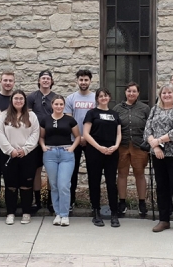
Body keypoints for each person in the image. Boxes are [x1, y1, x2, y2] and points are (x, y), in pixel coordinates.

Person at [145, 84, 173, 235]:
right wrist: (156, 147)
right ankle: (164, 220)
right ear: (160, 95)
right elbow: (147, 129)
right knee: (162, 187)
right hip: (158, 154)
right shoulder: (155, 109)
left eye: (169, 92)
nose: (166, 95)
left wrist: (158, 141)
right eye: (164, 93)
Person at [0, 90, 40, 225]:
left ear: (25, 100)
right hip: (9, 155)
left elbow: (35, 133)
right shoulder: (3, 116)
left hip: (27, 155)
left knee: (26, 185)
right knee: (11, 185)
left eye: (21, 98)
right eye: (16, 98)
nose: (19, 101)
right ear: (12, 100)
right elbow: (0, 134)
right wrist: (10, 150)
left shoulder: (32, 116)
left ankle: (26, 212)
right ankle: (10, 213)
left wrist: (25, 149)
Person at [83, 88, 122, 228]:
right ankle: (96, 212)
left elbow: (118, 134)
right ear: (97, 99)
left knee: (111, 183)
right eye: (100, 96)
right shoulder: (91, 113)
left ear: (109, 97)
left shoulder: (114, 114)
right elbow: (86, 134)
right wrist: (99, 147)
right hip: (94, 151)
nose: (103, 98)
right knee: (94, 181)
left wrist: (116, 146)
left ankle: (114, 213)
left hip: (112, 152)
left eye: (105, 96)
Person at [40, 95, 81, 226]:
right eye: (56, 104)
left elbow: (78, 136)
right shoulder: (45, 120)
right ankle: (57, 214)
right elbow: (41, 137)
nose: (58, 107)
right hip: (50, 154)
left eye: (61, 104)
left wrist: (72, 148)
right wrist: (43, 147)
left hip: (66, 154)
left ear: (64, 106)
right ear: (52, 105)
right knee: (54, 185)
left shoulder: (70, 120)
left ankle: (65, 214)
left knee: (64, 185)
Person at [113, 82, 150, 217]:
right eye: (129, 91)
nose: (131, 93)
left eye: (134, 91)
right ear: (125, 92)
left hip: (139, 146)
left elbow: (149, 126)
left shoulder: (145, 108)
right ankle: (122, 202)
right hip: (122, 146)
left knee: (139, 174)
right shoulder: (117, 108)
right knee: (122, 174)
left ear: (138, 93)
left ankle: (142, 202)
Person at [64, 69, 96, 211]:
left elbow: (96, 120)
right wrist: (79, 137)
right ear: (77, 81)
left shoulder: (95, 98)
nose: (83, 82)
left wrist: (86, 137)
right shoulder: (70, 98)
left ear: (90, 81)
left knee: (93, 173)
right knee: (72, 172)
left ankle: (94, 203)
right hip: (74, 140)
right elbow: (69, 120)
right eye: (81, 80)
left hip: (92, 141)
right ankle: (70, 201)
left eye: (86, 80)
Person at [26, 70, 57, 212]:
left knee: (51, 171)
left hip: (51, 138)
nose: (45, 80)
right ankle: (37, 201)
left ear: (51, 81)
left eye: (48, 78)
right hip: (35, 138)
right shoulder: (32, 97)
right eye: (43, 78)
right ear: (39, 80)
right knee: (37, 170)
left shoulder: (55, 97)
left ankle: (50, 201)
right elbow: (28, 117)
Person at [0, 70, 16, 216]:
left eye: (10, 80)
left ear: (14, 82)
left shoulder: (17, 99)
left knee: (10, 175)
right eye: (5, 80)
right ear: (0, 81)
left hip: (11, 144)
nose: (7, 83)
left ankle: (10, 202)